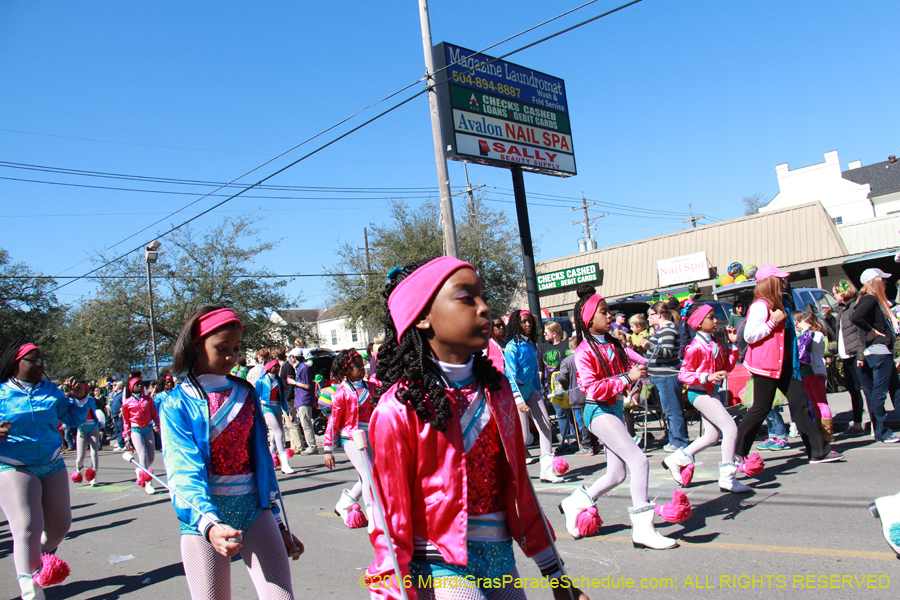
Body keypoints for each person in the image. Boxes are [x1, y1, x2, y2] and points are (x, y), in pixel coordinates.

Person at [365, 256, 590, 599]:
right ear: (422, 316)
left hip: (501, 559)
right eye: (466, 297)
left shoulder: (497, 390)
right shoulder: (399, 408)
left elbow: (522, 491)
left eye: (483, 296)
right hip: (437, 564)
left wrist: (557, 577)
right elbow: (388, 518)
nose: (485, 309)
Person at [162, 305, 302, 599]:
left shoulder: (245, 391)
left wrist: (279, 523)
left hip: (255, 509)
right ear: (197, 345)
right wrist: (208, 522)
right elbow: (182, 470)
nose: (231, 357)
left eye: (236, 349)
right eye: (222, 348)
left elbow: (262, 461)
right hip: (204, 518)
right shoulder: (177, 402)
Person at [559, 285, 687, 550]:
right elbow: (593, 389)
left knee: (616, 475)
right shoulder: (584, 351)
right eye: (603, 312)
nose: (609, 317)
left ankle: (576, 501)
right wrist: (629, 379)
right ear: (588, 318)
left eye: (608, 312)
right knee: (639, 461)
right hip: (597, 411)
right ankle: (643, 529)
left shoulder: (615, 345)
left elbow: (641, 365)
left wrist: (641, 381)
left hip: (614, 409)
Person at [0, 341, 86, 599]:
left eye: (42, 360)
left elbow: (71, 419)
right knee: (27, 527)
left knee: (61, 526)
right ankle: (32, 591)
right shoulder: (2, 392)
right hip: (14, 465)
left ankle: (40, 557)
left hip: (51, 462)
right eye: (34, 359)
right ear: (17, 363)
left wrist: (80, 398)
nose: (41, 364)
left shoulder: (50, 390)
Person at [735, 265, 843, 464]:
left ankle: (818, 451)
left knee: (800, 405)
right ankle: (736, 451)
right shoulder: (760, 306)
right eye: (779, 279)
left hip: (786, 364)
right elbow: (750, 335)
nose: (783, 282)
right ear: (769, 282)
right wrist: (772, 322)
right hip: (766, 365)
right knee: (761, 408)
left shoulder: (783, 302)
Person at [669, 303, 749, 493]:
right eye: (711, 317)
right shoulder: (694, 347)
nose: (716, 321)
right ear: (698, 323)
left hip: (710, 392)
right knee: (730, 428)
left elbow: (727, 368)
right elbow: (684, 375)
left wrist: (733, 344)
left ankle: (678, 457)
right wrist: (707, 377)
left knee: (712, 436)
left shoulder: (715, 343)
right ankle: (728, 478)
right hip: (699, 393)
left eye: (714, 317)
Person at [504, 309, 564, 483]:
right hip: (518, 394)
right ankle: (508, 466)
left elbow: (534, 372)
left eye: (529, 321)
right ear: (517, 324)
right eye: (523, 321)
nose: (528, 324)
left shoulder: (531, 345)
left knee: (545, 426)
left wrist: (540, 390)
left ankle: (547, 469)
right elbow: (511, 375)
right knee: (523, 437)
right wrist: (517, 397)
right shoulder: (511, 347)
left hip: (532, 390)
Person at [323, 350, 375, 530]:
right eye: (358, 366)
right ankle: (374, 518)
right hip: (351, 437)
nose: (363, 369)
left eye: (363, 365)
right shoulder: (341, 393)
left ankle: (344, 504)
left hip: (371, 436)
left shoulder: (372, 388)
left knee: (367, 476)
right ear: (346, 370)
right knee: (369, 475)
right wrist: (328, 449)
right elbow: (333, 422)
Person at [851, 268, 900, 443]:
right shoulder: (870, 299)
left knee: (896, 390)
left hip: (881, 351)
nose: (885, 284)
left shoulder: (877, 301)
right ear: (874, 282)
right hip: (878, 352)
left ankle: (882, 430)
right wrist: (872, 331)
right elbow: (856, 317)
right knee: (880, 393)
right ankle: (881, 431)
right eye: (883, 281)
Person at [643, 301, 689, 453]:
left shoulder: (668, 329)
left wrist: (649, 345)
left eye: (650, 315)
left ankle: (680, 441)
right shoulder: (663, 330)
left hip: (667, 376)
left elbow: (667, 352)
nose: (649, 318)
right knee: (669, 409)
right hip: (660, 376)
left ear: (659, 314)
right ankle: (674, 438)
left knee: (672, 409)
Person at [556, 337, 602, 456]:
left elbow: (562, 377)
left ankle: (586, 446)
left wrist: (567, 386)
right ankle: (595, 445)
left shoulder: (567, 360)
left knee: (582, 422)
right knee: (591, 420)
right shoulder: (588, 356)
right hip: (590, 394)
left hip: (576, 396)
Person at [833, 280, 867, 436]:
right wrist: (828, 319)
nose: (833, 296)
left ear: (842, 293)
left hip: (855, 356)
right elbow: (839, 334)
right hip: (846, 356)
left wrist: (861, 355)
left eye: (835, 293)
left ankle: (874, 423)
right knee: (853, 391)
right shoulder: (842, 310)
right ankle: (857, 424)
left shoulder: (854, 308)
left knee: (867, 390)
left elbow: (861, 334)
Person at [796, 311, 832, 442]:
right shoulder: (801, 335)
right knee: (814, 404)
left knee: (821, 402)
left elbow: (809, 345)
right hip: (805, 373)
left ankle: (827, 432)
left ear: (811, 325)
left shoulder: (818, 335)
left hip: (816, 373)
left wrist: (805, 332)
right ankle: (818, 431)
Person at [255, 358, 295, 475]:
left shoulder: (279, 381)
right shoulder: (261, 381)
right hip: (266, 408)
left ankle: (269, 459)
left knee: (277, 434)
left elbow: (282, 398)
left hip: (277, 408)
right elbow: (256, 396)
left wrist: (288, 411)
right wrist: (257, 409)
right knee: (278, 433)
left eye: (278, 366)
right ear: (268, 367)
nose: (278, 369)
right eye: (275, 366)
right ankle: (284, 462)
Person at [539, 321, 574, 453]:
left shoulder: (566, 345)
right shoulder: (543, 347)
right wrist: (540, 385)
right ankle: (565, 440)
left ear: (554, 334)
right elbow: (540, 368)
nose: (544, 335)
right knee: (560, 413)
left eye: (546, 332)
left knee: (570, 412)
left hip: (565, 383)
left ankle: (576, 438)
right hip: (552, 385)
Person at [122, 376, 161, 494]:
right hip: (135, 430)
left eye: (140, 384)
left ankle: (140, 470)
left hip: (148, 429)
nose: (140, 386)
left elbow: (154, 415)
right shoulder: (127, 403)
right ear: (131, 387)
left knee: (151, 456)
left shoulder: (148, 400)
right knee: (142, 454)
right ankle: (148, 483)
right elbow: (126, 422)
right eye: (136, 384)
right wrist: (127, 437)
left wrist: (158, 426)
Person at [68, 380, 101, 487]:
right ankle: (79, 469)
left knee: (94, 452)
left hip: (93, 426)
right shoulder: (74, 401)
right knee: (81, 456)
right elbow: (70, 412)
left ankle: (93, 476)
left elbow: (97, 407)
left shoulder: (91, 400)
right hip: (81, 428)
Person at [279, 350, 304, 453]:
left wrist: (288, 397)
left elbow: (290, 383)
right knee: (289, 424)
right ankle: (294, 446)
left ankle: (298, 446)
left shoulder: (287, 367)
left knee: (292, 422)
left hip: (288, 398)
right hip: (285, 398)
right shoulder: (284, 366)